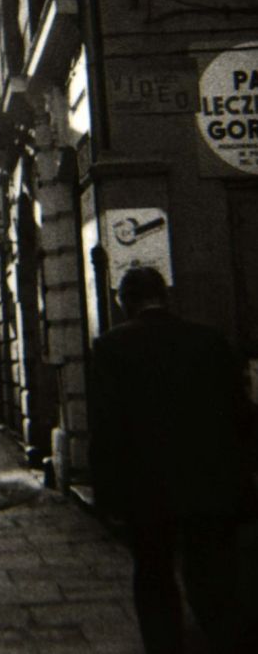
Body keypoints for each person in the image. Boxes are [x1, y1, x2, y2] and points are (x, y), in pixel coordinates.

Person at [89, 266, 258, 653]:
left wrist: (107, 493)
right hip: (210, 483)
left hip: (147, 489)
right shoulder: (210, 341)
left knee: (153, 575)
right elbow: (240, 414)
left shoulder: (111, 348)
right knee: (214, 576)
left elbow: (107, 428)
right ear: (165, 295)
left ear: (126, 302)